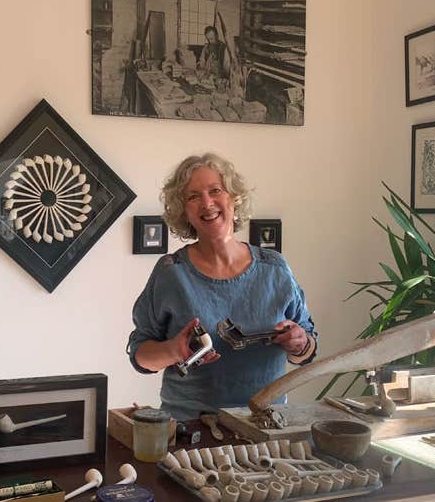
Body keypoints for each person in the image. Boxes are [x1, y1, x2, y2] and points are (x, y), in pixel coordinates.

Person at [126, 153, 318, 420]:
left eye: (215, 190)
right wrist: (173, 350)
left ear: (234, 199)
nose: (207, 202)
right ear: (184, 211)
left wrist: (298, 343)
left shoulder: (274, 269)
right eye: (193, 196)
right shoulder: (172, 273)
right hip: (191, 430)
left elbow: (307, 348)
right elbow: (140, 355)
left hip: (267, 427)